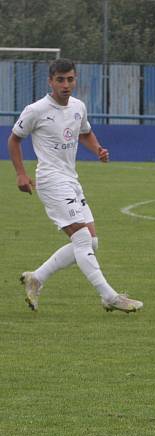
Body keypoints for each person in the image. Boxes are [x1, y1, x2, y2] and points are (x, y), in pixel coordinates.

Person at [9, 59, 143, 313]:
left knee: (91, 243)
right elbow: (14, 140)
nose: (66, 84)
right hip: (50, 181)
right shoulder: (36, 110)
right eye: (60, 79)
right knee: (82, 238)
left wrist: (98, 150)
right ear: (50, 81)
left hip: (71, 180)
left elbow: (84, 132)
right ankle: (109, 296)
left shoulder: (78, 107)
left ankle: (36, 277)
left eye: (70, 79)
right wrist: (20, 174)